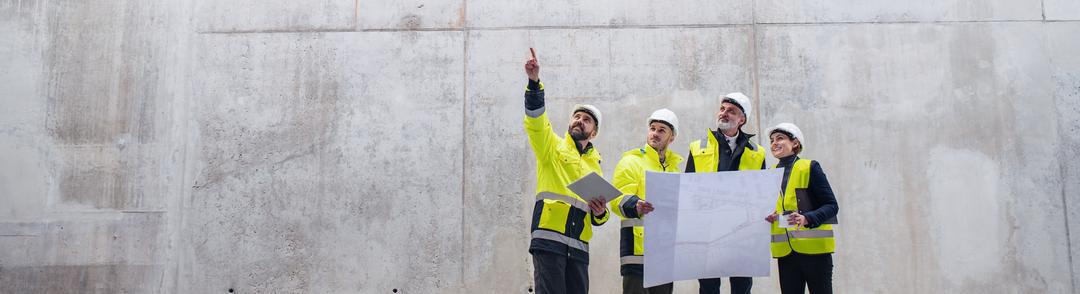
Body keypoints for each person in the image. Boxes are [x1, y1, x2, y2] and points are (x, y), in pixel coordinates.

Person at [522, 49, 610, 294]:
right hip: (549, 241)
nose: (579, 120)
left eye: (586, 120)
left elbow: (600, 217)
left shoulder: (594, 165)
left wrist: (600, 212)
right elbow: (536, 123)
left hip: (579, 248)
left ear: (593, 133)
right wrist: (534, 84)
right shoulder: (551, 147)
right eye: (577, 116)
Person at [685, 92, 766, 294]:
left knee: (742, 286)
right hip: (708, 230)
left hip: (742, 230)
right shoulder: (697, 147)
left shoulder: (757, 153)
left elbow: (762, 192)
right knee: (709, 286)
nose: (724, 113)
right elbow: (688, 188)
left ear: (742, 119)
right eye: (722, 109)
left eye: (731, 111)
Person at [609, 109, 684, 294]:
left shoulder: (675, 170)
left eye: (661, 130)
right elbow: (616, 198)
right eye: (652, 128)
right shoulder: (631, 161)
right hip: (637, 251)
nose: (655, 133)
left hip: (665, 254)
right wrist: (635, 205)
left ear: (672, 137)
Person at [763, 123, 839, 294]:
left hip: (815, 251)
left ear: (795, 143)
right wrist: (772, 216)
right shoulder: (770, 174)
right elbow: (777, 207)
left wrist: (807, 218)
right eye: (772, 140)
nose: (774, 143)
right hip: (786, 253)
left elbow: (832, 206)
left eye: (780, 138)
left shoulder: (809, 167)